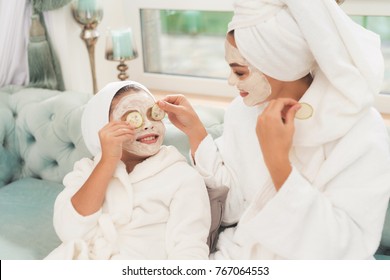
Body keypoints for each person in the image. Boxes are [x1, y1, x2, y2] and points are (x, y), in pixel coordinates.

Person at [157, 0, 390, 259]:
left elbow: (344, 248)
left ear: (280, 63)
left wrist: (279, 164)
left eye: (241, 72)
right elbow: (233, 207)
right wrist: (196, 133)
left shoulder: (360, 129)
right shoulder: (243, 111)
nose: (231, 81)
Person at [45, 81, 211, 260]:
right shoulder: (86, 170)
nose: (148, 124)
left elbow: (189, 249)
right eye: (132, 118)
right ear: (101, 129)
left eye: (152, 114)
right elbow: (69, 231)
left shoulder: (183, 177)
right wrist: (107, 161)